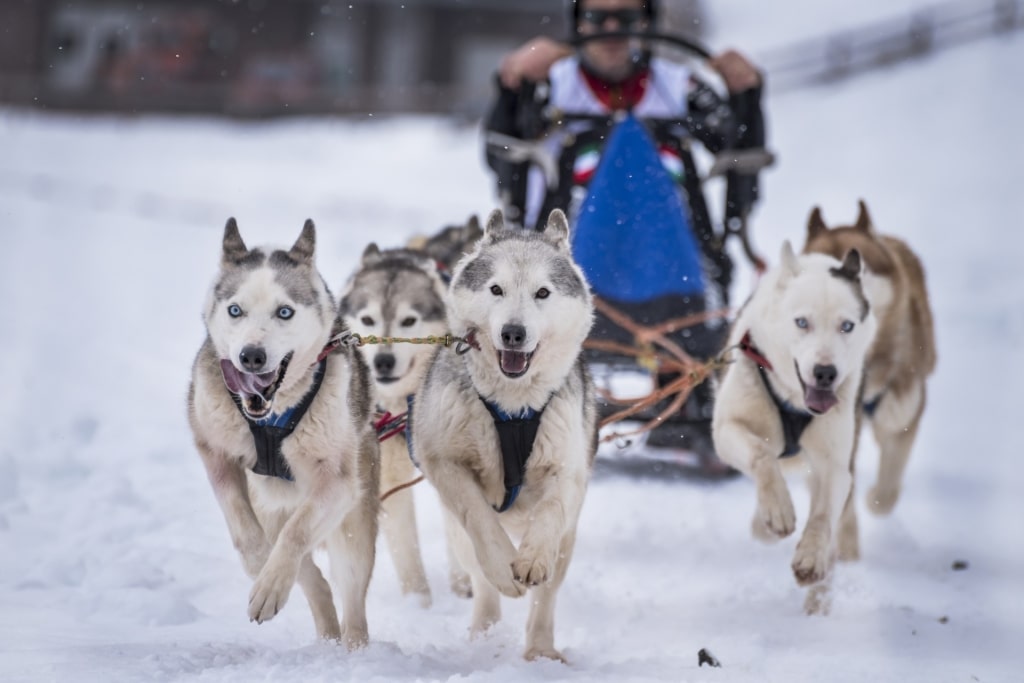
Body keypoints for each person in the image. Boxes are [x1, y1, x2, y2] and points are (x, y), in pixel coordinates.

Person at [482, 0, 768, 477]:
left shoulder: (680, 87)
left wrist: (746, 94)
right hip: (570, 250)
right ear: (578, 24)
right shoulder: (554, 86)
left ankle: (684, 392)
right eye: (597, 20)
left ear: (647, 25)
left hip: (678, 254)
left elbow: (738, 146)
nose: (610, 31)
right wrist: (511, 86)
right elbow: (503, 155)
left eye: (626, 19)